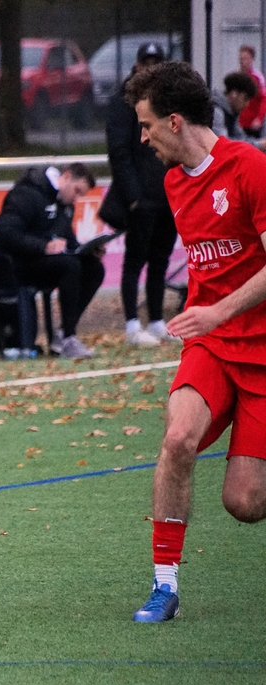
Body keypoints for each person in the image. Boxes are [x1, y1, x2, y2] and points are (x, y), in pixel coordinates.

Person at [125, 61, 266, 622]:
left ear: (175, 121)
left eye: (146, 124)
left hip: (261, 351)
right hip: (210, 345)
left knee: (245, 503)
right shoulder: (173, 181)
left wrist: (219, 310)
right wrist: (207, 320)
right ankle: (164, 586)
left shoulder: (250, 167)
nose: (142, 137)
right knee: (178, 438)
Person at [105, 42, 178, 347]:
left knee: (160, 259)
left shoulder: (166, 100)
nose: (151, 68)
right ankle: (132, 324)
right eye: (146, 62)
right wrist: (133, 195)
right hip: (142, 197)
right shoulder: (124, 101)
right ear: (137, 65)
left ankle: (157, 320)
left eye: (156, 62)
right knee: (135, 261)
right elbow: (119, 151)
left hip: (167, 194)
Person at [0, 163, 104, 359]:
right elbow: (4, 232)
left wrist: (89, 250)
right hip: (17, 264)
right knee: (70, 266)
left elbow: (68, 242)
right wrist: (43, 246)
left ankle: (64, 333)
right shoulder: (27, 194)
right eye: (77, 191)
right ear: (66, 177)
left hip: (45, 263)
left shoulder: (65, 206)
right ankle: (68, 337)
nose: (76, 198)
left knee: (94, 268)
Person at [212, 72, 266, 150]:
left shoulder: (231, 113)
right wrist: (259, 144)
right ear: (234, 94)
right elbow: (223, 144)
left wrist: (259, 144)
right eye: (245, 99)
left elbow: (241, 138)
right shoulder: (216, 111)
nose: (247, 104)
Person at [237, 45, 266, 137]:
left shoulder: (257, 77)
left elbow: (264, 99)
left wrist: (259, 118)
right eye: (241, 58)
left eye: (245, 58)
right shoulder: (237, 77)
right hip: (239, 123)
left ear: (251, 60)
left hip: (252, 123)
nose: (242, 61)